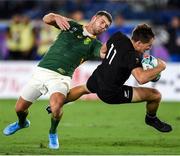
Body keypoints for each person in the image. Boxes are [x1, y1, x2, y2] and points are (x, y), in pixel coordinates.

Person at [3, 11, 112, 149]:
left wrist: (115, 43)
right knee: (19, 109)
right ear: (94, 18)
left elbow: (103, 52)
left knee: (56, 106)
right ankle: (21, 123)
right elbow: (46, 19)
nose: (104, 27)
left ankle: (52, 132)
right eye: (102, 22)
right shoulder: (72, 26)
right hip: (42, 71)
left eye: (106, 26)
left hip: (62, 77)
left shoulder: (95, 44)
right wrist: (56, 17)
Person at [61, 24, 172, 133]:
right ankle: (151, 119)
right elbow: (141, 78)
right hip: (111, 93)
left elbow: (103, 50)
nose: (149, 48)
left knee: (83, 88)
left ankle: (56, 103)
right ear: (138, 43)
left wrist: (114, 61)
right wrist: (161, 67)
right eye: (149, 45)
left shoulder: (118, 36)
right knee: (155, 95)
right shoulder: (132, 56)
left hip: (99, 76)